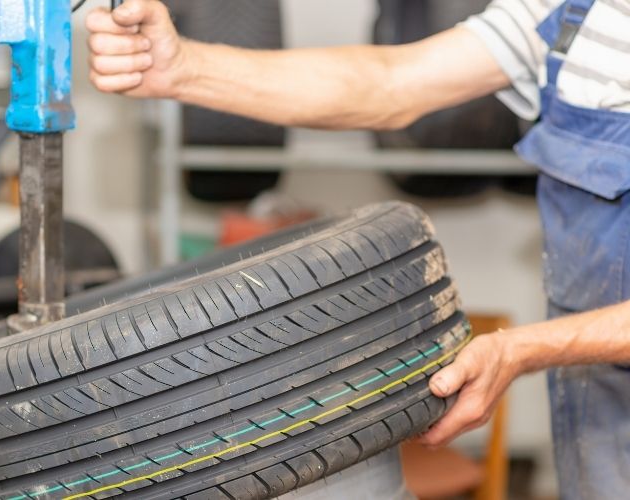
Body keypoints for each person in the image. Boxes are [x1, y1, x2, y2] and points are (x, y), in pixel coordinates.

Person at [85, 1, 630, 498]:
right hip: (597, 398)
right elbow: (390, 83)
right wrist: (183, 68)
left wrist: (522, 350)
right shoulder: (570, 11)